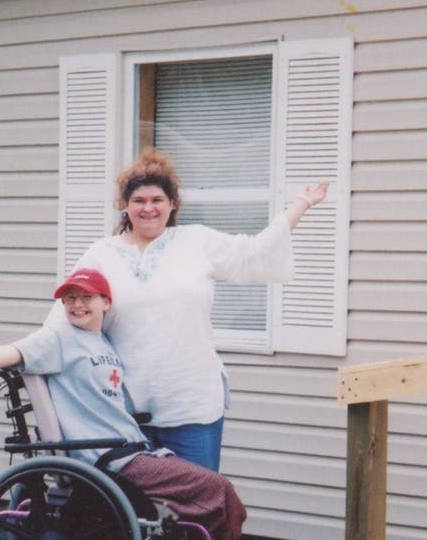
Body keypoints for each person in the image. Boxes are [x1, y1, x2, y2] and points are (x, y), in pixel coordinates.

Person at [0, 268, 248, 540]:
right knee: (216, 490)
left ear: (105, 303)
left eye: (86, 298)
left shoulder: (104, 343)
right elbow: (9, 352)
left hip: (133, 450)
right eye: (70, 299)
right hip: (108, 458)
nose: (77, 305)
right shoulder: (59, 337)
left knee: (204, 494)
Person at [54, 149, 327, 470]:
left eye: (157, 199)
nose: (148, 208)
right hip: (125, 410)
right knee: (135, 513)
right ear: (125, 206)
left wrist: (300, 205)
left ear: (172, 204)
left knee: (198, 507)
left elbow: (254, 254)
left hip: (192, 405)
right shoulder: (101, 253)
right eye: (138, 200)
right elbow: (64, 316)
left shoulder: (197, 241)